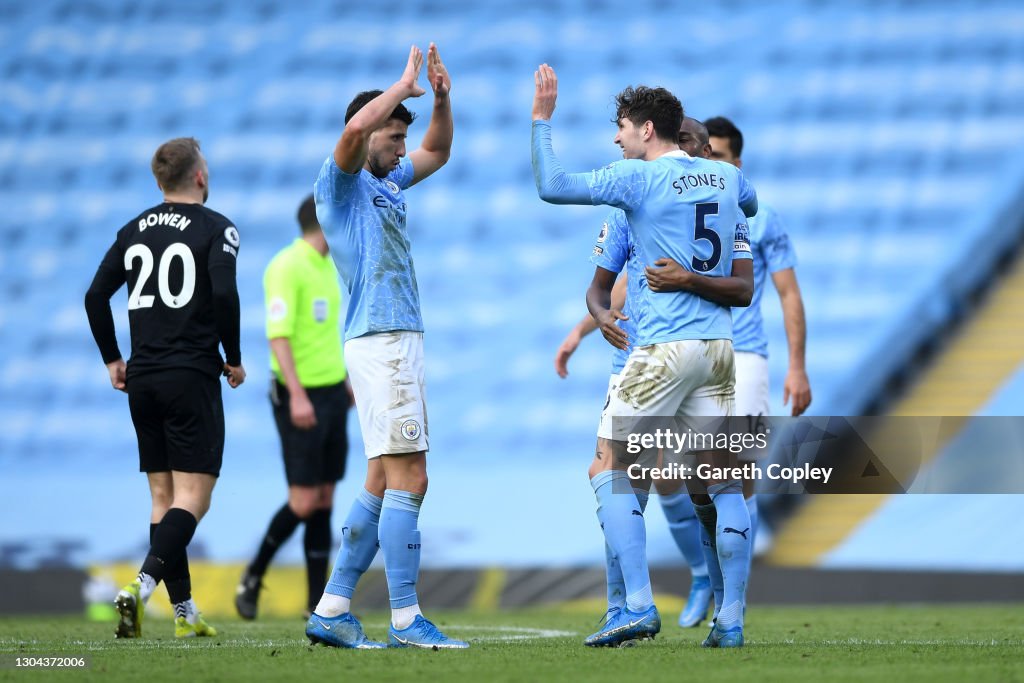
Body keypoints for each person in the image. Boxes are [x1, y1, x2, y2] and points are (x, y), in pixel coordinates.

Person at [532, 64, 757, 648]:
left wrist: (541, 120)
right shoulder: (724, 177)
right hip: (718, 351)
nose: (616, 139)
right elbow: (749, 203)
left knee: (609, 468)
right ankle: (730, 621)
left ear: (647, 130)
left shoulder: (636, 180)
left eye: (622, 129)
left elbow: (551, 185)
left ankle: (635, 604)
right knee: (724, 484)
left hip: (662, 348)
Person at [304, 44, 467, 650]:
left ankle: (333, 608)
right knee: (412, 476)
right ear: (374, 130)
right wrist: (401, 87)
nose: (403, 149)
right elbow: (353, 129)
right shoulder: (339, 187)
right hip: (382, 339)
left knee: (380, 478)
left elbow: (441, 150)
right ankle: (405, 619)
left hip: (392, 339)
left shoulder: (388, 179)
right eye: (394, 138)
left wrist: (442, 100)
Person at [553, 118, 717, 630]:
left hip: (667, 356)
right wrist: (586, 327)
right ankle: (621, 607)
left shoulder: (689, 203)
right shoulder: (634, 206)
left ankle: (692, 585)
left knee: (658, 479)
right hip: (637, 356)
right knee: (635, 487)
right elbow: (618, 284)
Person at [84, 137, 246, 639]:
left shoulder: (132, 230)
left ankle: (184, 613)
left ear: (159, 182)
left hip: (143, 376)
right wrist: (234, 358)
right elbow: (223, 291)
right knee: (195, 497)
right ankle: (139, 586)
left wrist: (113, 357)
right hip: (190, 373)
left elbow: (95, 297)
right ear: (200, 176)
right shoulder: (218, 227)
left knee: (162, 496)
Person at [235, 195, 352, 620]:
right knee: (302, 501)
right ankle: (252, 575)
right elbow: (279, 335)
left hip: (332, 391)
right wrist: (298, 395)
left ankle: (315, 603)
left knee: (324, 498)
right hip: (297, 394)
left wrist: (343, 381)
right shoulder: (286, 266)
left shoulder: (328, 266)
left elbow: (320, 334)